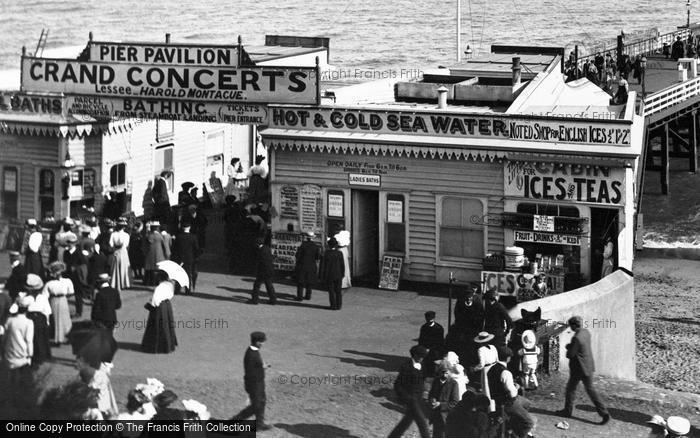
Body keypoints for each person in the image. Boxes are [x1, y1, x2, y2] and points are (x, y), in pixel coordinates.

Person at [556, 315, 610, 424]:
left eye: (570, 326)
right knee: (591, 390)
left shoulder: (576, 337)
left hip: (578, 368)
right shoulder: (586, 332)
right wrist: (572, 346)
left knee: (571, 389)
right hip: (588, 366)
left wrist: (568, 347)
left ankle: (567, 411)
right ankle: (604, 413)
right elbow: (580, 347)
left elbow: (570, 354)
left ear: (573, 325)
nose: (569, 328)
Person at [482, 347, 536, 438]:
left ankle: (515, 424)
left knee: (527, 403)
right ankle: (521, 434)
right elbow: (512, 394)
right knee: (530, 422)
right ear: (508, 358)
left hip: (497, 400)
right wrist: (516, 387)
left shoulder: (491, 369)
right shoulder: (505, 372)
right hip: (508, 402)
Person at [232, 331, 272, 430]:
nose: (263, 344)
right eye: (262, 342)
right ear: (258, 342)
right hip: (254, 384)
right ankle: (234, 421)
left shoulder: (253, 351)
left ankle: (259, 424)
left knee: (262, 402)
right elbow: (251, 373)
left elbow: (254, 367)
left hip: (259, 383)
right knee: (256, 406)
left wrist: (262, 366)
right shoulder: (251, 354)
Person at [388, 345, 430, 438]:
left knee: (406, 422)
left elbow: (422, 379)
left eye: (423, 357)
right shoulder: (406, 366)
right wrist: (405, 397)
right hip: (411, 399)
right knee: (421, 422)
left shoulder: (422, 365)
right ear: (415, 355)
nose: (422, 359)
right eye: (420, 356)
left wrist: (424, 391)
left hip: (418, 398)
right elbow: (398, 384)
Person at [2, 295, 34, 393]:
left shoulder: (10, 320)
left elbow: (5, 337)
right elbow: (29, 340)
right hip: (22, 354)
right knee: (23, 379)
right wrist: (30, 354)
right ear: (27, 309)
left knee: (10, 378)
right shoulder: (28, 322)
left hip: (10, 353)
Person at [141, 275, 178, 354]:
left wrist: (150, 303)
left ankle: (157, 347)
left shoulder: (159, 287)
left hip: (159, 308)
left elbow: (155, 300)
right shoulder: (170, 285)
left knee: (157, 326)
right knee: (167, 325)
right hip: (167, 306)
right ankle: (168, 345)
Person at [429, 360, 461, 438]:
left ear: (450, 372)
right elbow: (431, 394)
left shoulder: (453, 384)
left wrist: (440, 404)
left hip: (447, 417)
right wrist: (432, 399)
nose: (444, 375)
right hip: (436, 416)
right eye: (442, 372)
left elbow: (455, 402)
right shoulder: (436, 381)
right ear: (439, 372)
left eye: (446, 373)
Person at [25, 274, 52, 366]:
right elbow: (47, 311)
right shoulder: (40, 297)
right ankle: (39, 356)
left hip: (36, 318)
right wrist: (47, 321)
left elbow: (47, 311)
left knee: (36, 337)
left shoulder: (28, 298)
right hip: (38, 318)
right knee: (38, 338)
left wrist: (47, 321)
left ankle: (38, 356)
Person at [44, 261, 73, 344]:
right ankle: (57, 338)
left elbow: (71, 292)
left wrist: (64, 297)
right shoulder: (49, 283)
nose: (57, 274)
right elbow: (45, 295)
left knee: (65, 318)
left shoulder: (67, 281)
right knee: (55, 318)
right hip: (54, 300)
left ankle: (66, 336)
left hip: (62, 300)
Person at [63, 233, 89, 318]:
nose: (70, 244)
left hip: (77, 276)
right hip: (68, 275)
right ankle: (65, 311)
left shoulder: (78, 253)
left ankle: (79, 311)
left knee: (78, 295)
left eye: (71, 243)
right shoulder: (66, 253)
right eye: (69, 242)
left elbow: (84, 263)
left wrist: (76, 267)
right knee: (66, 294)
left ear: (74, 243)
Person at [172, 220, 200, 293]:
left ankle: (177, 289)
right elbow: (196, 248)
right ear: (189, 227)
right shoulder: (193, 237)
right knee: (188, 274)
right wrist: (195, 256)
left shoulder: (178, 237)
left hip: (179, 258)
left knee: (178, 274)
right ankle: (187, 290)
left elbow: (174, 248)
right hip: (189, 258)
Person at [250, 238, 277, 305]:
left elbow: (259, 261)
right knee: (269, 285)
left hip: (263, 271)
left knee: (257, 285)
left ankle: (255, 300)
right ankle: (273, 300)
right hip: (270, 269)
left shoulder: (260, 251)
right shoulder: (267, 248)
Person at [294, 231, 320, 301]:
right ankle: (308, 296)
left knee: (300, 282)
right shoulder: (316, 246)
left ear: (306, 238)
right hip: (311, 266)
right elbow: (317, 257)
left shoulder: (302, 245)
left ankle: (299, 297)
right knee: (309, 282)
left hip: (302, 265)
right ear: (313, 238)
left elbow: (297, 255)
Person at [320, 237, 344, 310]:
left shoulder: (326, 253)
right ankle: (339, 305)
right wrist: (342, 274)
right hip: (338, 274)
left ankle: (333, 305)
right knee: (338, 291)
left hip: (329, 275)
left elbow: (323, 266)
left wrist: (322, 276)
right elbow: (342, 265)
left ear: (329, 245)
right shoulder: (339, 253)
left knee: (331, 291)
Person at [419, 311, 444, 378]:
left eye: (431, 319)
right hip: (425, 348)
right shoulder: (424, 327)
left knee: (433, 361)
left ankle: (433, 374)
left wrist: (430, 349)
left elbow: (440, 342)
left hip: (435, 349)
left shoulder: (438, 328)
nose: (429, 321)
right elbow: (421, 339)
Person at [143, 221, 169, 286]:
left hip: (149, 254)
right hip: (159, 254)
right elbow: (165, 246)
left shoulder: (148, 236)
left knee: (149, 269)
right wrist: (167, 254)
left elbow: (144, 246)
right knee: (158, 269)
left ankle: (148, 282)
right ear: (157, 228)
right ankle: (156, 281)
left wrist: (145, 253)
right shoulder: (160, 236)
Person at [109, 218, 131, 292]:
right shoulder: (126, 235)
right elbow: (126, 244)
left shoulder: (113, 234)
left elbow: (111, 244)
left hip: (116, 251)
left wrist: (115, 247)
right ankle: (123, 283)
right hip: (123, 251)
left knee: (116, 267)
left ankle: (116, 283)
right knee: (123, 267)